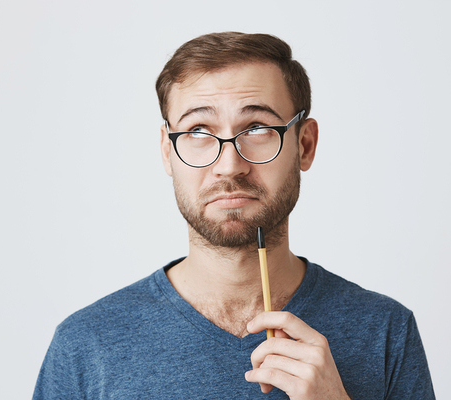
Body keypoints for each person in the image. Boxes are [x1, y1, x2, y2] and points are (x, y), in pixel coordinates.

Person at [33, 32, 435, 399]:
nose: (229, 165)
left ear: (305, 144)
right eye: (197, 131)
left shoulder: (385, 331)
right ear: (167, 151)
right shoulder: (86, 346)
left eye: (258, 128)